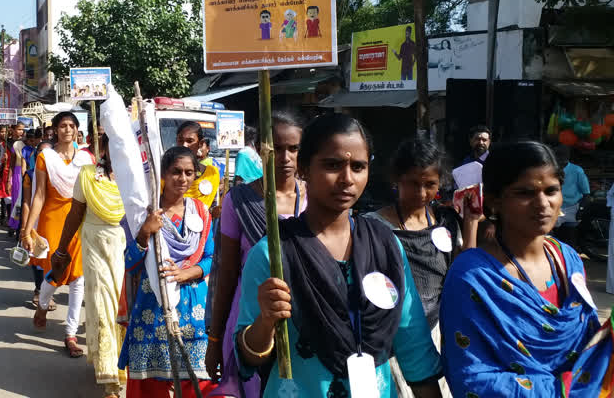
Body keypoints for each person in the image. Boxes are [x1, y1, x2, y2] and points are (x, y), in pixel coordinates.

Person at [235, 113, 442, 398]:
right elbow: (249, 357)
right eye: (332, 165)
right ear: (304, 169)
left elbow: (414, 344)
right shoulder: (273, 252)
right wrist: (266, 322)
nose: (347, 179)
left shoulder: (385, 246)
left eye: (358, 167)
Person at [440, 141, 610, 395]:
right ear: (495, 200)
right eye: (525, 193)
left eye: (552, 190)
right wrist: (564, 390)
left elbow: (588, 342)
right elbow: (471, 377)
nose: (543, 203)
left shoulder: (568, 260)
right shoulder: (471, 277)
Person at [363, 138, 478, 397]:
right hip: (392, 336)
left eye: (430, 185)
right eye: (413, 183)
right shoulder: (372, 227)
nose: (422, 193)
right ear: (397, 180)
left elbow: (464, 273)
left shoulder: (446, 223)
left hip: (437, 332)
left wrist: (470, 222)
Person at [206, 111, 306, 397]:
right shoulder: (237, 202)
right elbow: (226, 276)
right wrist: (214, 341)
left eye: (294, 148)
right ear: (260, 149)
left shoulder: (315, 199)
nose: (285, 157)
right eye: (276, 148)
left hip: (304, 320)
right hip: (250, 319)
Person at [118, 146, 217, 398]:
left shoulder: (201, 212)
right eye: (176, 172)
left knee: (197, 380)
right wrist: (144, 232)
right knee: (150, 384)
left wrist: (188, 272)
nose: (182, 179)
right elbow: (130, 263)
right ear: (163, 174)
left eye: (189, 173)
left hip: (193, 308)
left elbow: (210, 258)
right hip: (153, 306)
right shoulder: (146, 212)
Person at [51, 133, 127, 396]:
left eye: (122, 145)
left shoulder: (137, 178)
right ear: (103, 148)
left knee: (124, 307)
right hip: (95, 246)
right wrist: (61, 250)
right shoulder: (87, 174)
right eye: (112, 145)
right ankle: (110, 380)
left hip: (128, 249)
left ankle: (124, 364)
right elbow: (75, 213)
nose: (117, 150)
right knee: (104, 306)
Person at [22, 112, 93, 357]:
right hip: (52, 219)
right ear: (55, 130)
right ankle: (42, 305)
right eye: (63, 125)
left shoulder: (86, 158)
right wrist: (28, 230)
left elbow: (92, 193)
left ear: (77, 130)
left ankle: (70, 334)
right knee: (54, 271)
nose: (67, 129)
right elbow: (39, 195)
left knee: (78, 279)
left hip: (79, 221)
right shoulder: (45, 157)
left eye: (72, 126)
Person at [21, 139, 57, 310]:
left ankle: (48, 292)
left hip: (54, 220)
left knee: (53, 259)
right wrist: (25, 228)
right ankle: (38, 290)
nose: (45, 157)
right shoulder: (29, 174)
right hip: (35, 221)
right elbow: (27, 202)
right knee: (38, 258)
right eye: (41, 153)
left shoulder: (62, 174)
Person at [176, 121, 220, 207]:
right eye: (180, 140)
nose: (184, 145)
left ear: (200, 143)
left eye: (190, 141)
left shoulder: (211, 173)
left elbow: (213, 206)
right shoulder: (165, 173)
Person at [7, 122, 27, 235]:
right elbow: (12, 164)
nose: (21, 132)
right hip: (17, 174)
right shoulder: (16, 145)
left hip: (28, 174)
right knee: (16, 200)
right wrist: (8, 180)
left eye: (23, 130)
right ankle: (14, 224)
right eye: (19, 129)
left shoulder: (32, 145)